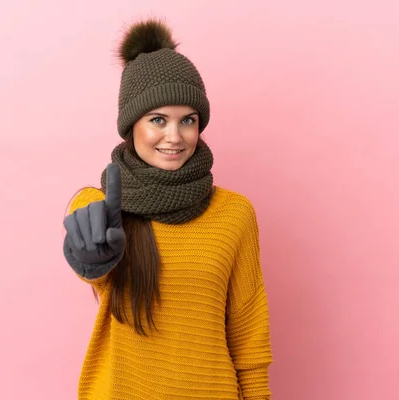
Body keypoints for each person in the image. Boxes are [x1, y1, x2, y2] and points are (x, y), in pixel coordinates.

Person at [63, 18, 273, 400]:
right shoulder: (99, 206)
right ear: (132, 126)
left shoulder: (235, 213)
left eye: (187, 120)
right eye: (157, 119)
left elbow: (248, 327)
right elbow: (89, 264)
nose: (174, 137)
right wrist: (92, 262)